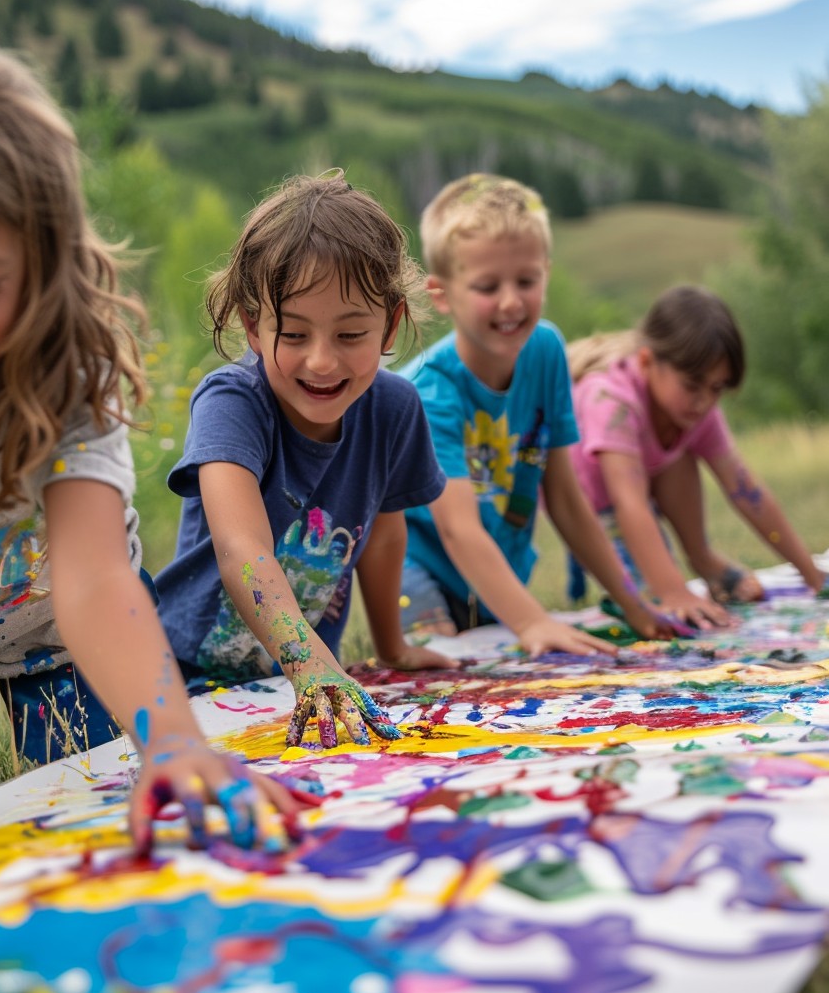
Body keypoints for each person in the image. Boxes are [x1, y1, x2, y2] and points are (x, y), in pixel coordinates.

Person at [0, 28, 301, 854]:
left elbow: (95, 576)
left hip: (69, 639)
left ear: (41, 264)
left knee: (93, 818)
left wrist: (174, 741)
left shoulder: (66, 372)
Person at [155, 170, 453, 748]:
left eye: (350, 335)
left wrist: (390, 647)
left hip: (308, 690)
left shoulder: (394, 408)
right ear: (253, 326)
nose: (321, 362)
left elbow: (387, 537)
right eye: (293, 334)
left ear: (391, 323)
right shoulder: (232, 402)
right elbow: (241, 544)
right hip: (187, 682)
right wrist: (308, 663)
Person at [399, 173, 671, 653]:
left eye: (526, 280)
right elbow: (456, 529)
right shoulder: (430, 392)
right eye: (487, 285)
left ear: (546, 270)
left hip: (502, 558)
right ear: (442, 294)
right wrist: (531, 622)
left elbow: (565, 497)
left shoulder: (545, 349)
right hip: (421, 569)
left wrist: (634, 603)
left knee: (505, 658)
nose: (510, 301)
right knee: (443, 669)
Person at [567, 284, 825, 625]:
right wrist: (673, 591)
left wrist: (810, 573)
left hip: (644, 484)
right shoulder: (610, 400)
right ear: (647, 362)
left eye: (717, 388)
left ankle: (701, 556)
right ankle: (665, 582)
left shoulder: (694, 408)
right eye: (692, 385)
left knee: (683, 452)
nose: (704, 401)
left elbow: (746, 489)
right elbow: (629, 503)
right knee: (647, 601)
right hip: (592, 507)